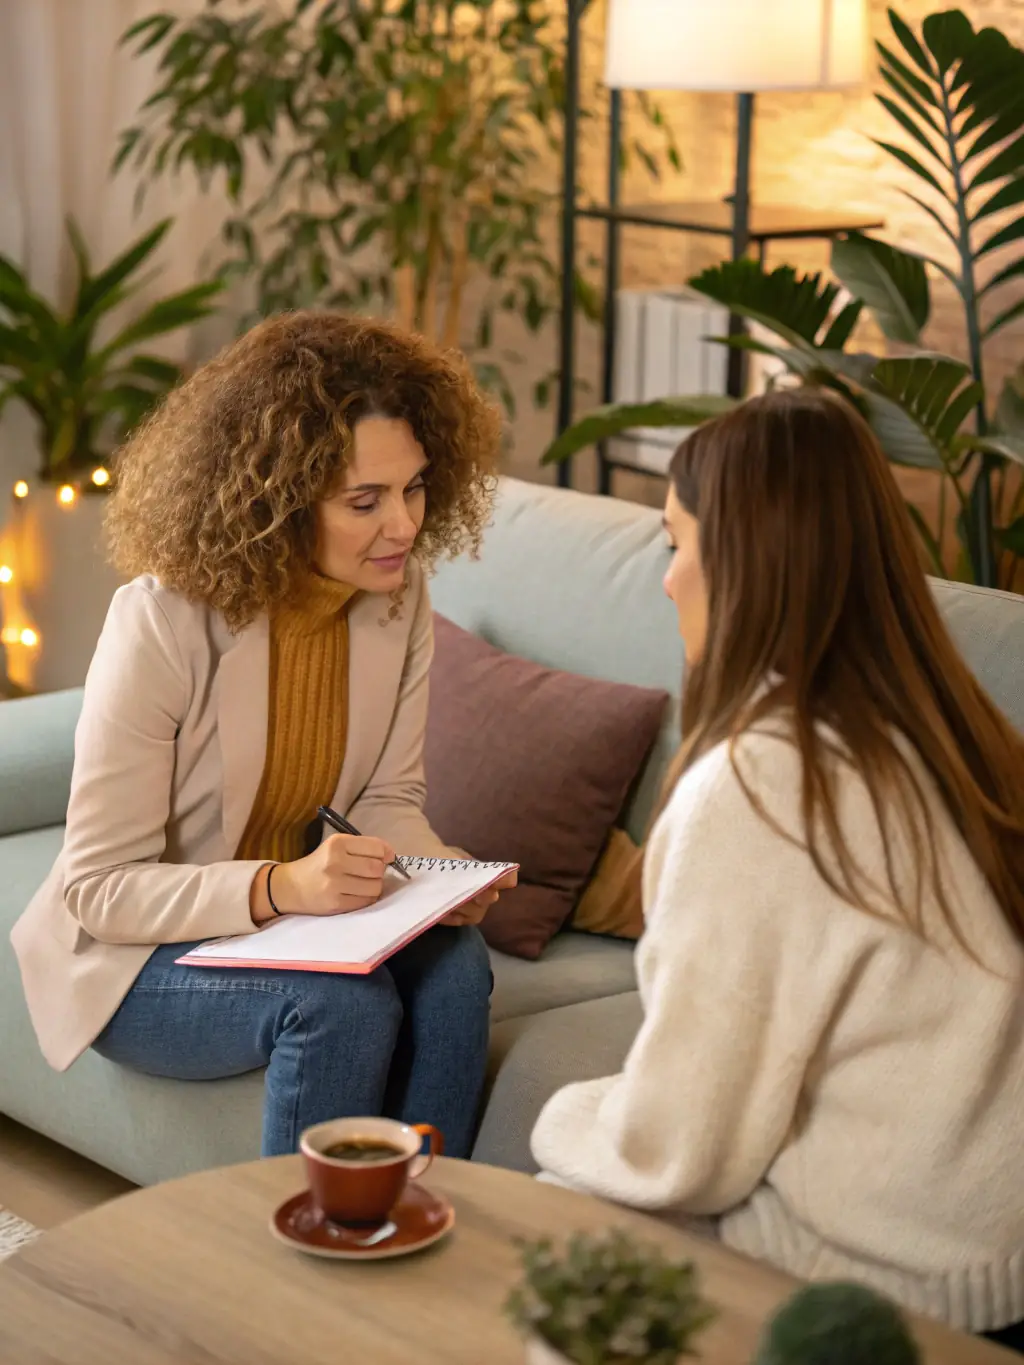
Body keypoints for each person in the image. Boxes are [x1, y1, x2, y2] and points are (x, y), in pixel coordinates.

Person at [531, 388, 1024, 1342]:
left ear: (746, 557)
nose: (667, 579)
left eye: (675, 542)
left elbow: (683, 1149)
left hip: (869, 1285)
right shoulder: (960, 734)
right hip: (993, 1263)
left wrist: (560, 1119)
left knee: (553, 1236)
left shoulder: (760, 786)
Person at [11, 310, 515, 1160]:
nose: (404, 525)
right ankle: (298, 1271)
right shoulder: (162, 621)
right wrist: (282, 887)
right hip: (143, 954)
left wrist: (438, 879)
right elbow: (99, 888)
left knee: (456, 962)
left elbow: (387, 798)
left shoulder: (399, 597)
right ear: (277, 499)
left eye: (415, 487)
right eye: (366, 500)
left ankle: (427, 1225)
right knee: (341, 1006)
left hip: (297, 923)